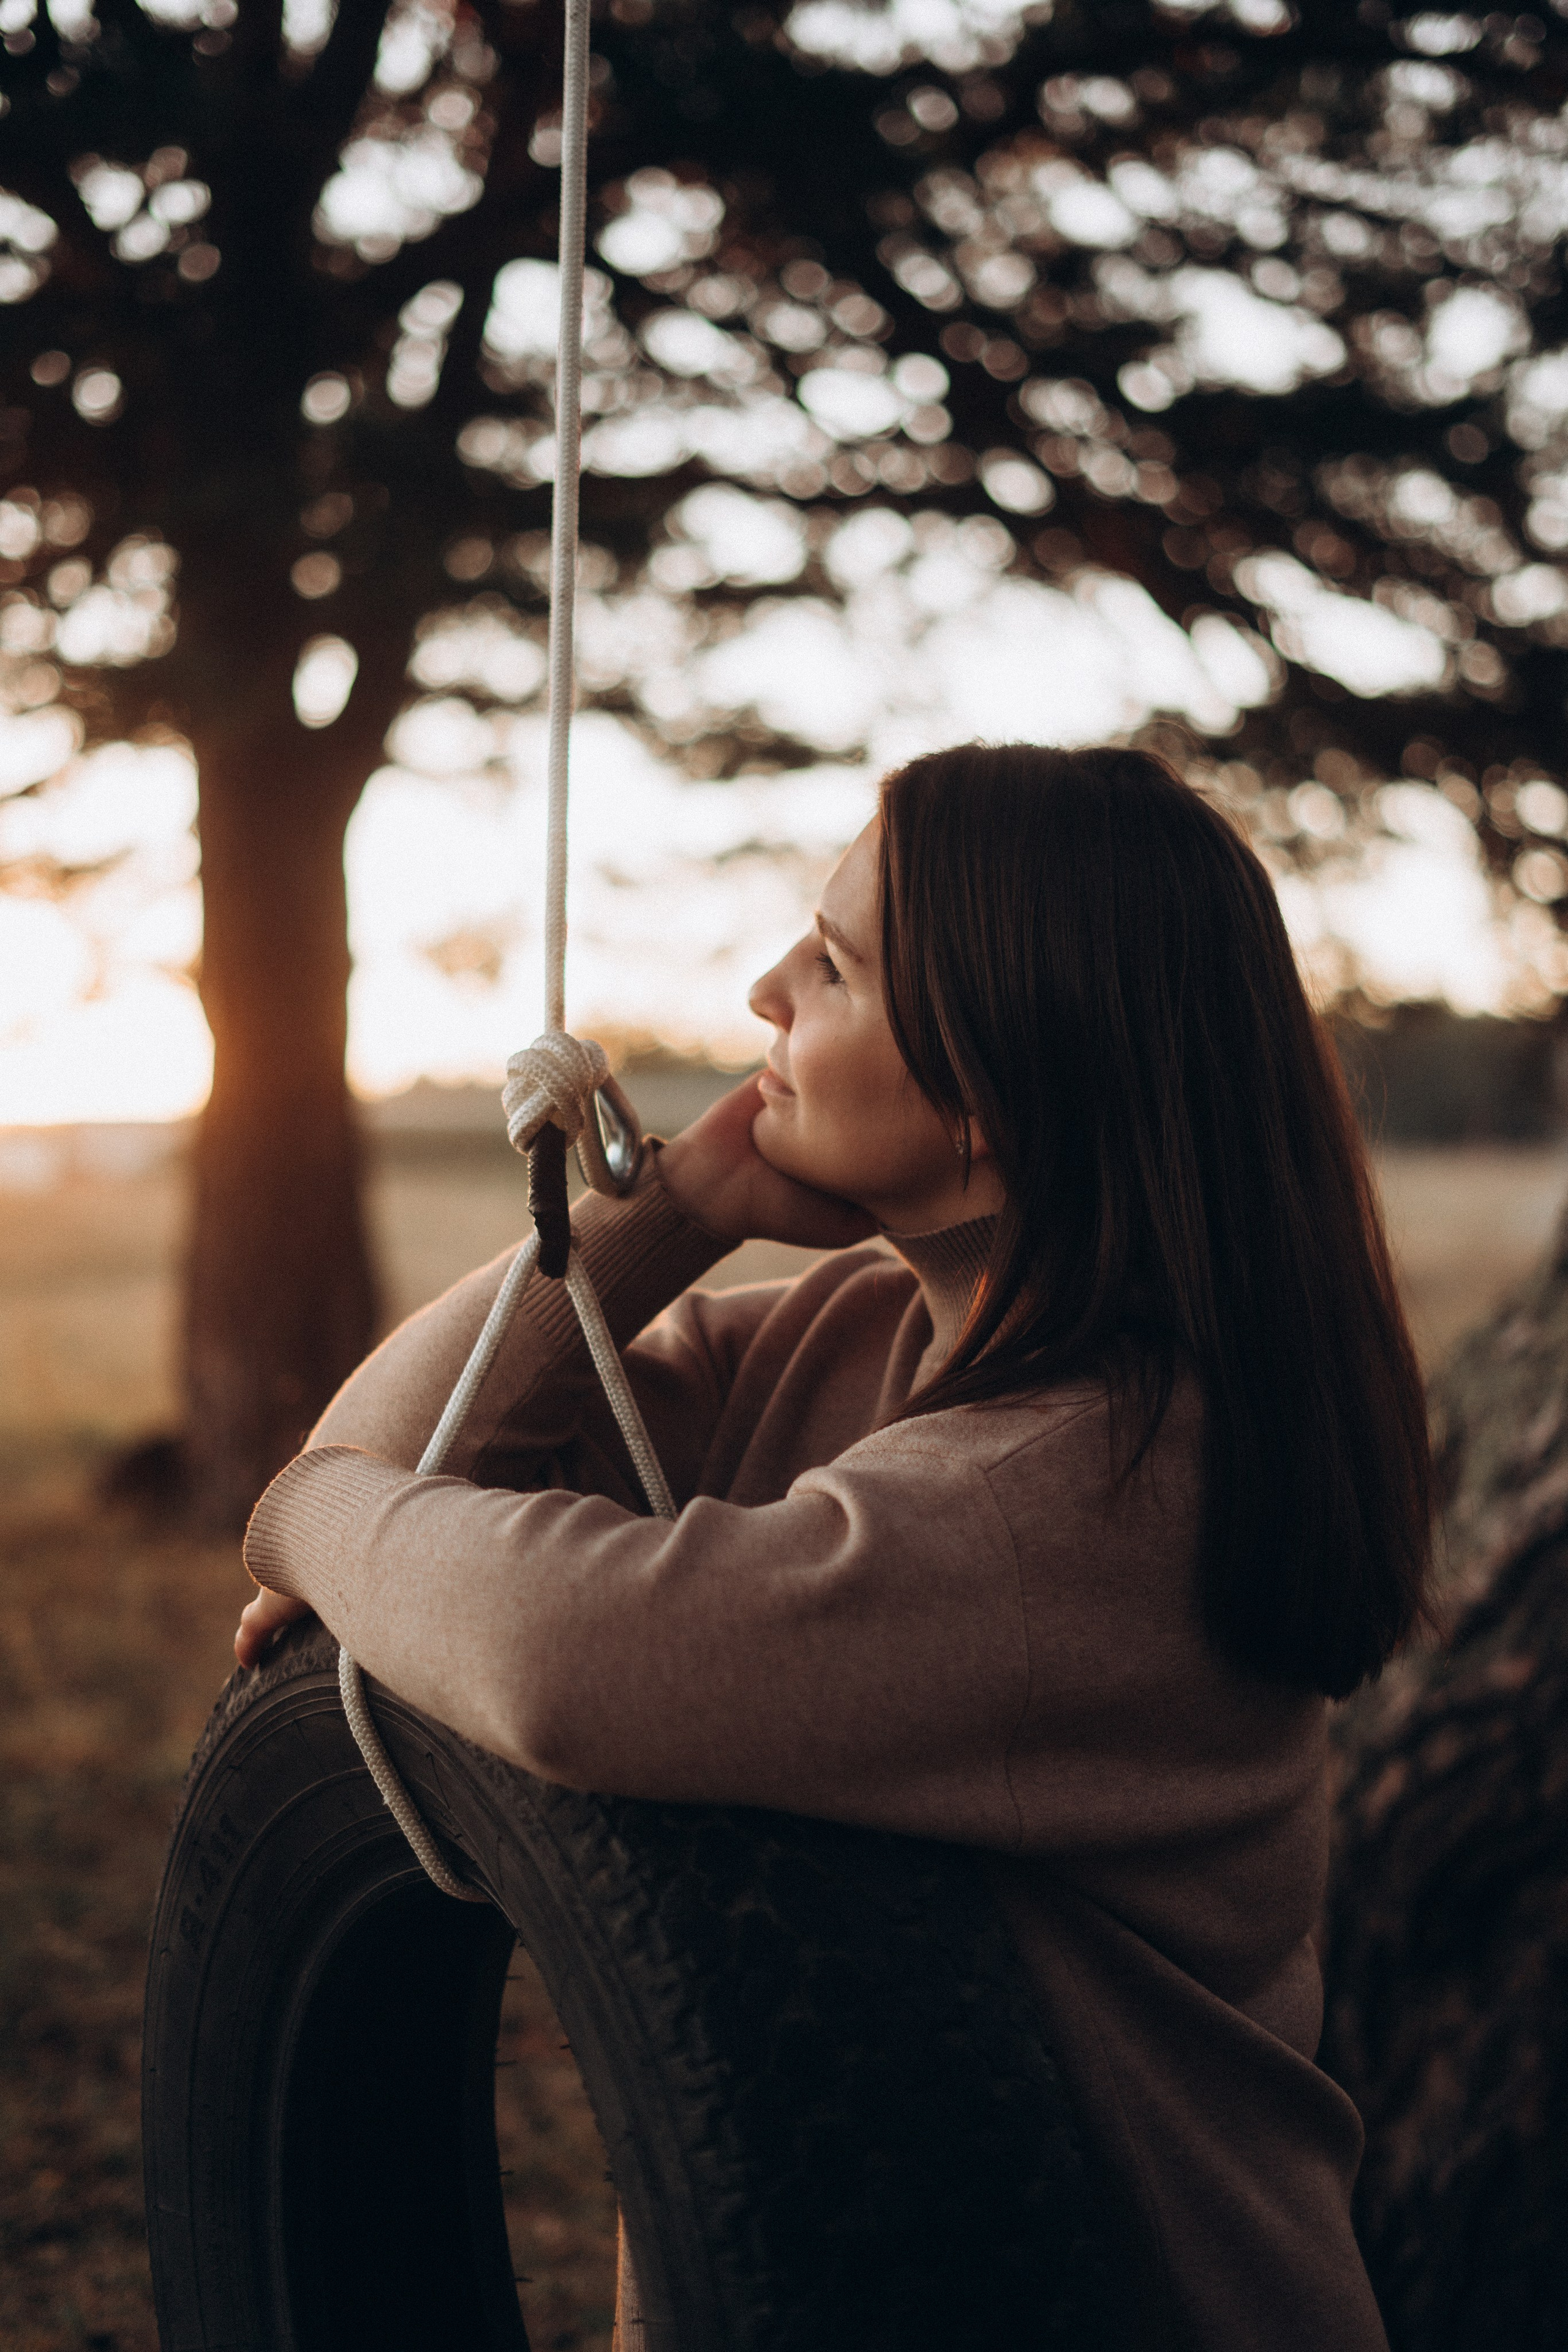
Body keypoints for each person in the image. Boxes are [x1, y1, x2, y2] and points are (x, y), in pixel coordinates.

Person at [237, 742, 1430, 2351]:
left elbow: (568, 1655)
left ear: (990, 1100)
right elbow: (422, 1442)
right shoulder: (861, 1333)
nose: (761, 992)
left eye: (834, 967)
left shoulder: (1085, 1485)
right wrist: (669, 1215)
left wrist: (312, 1521)